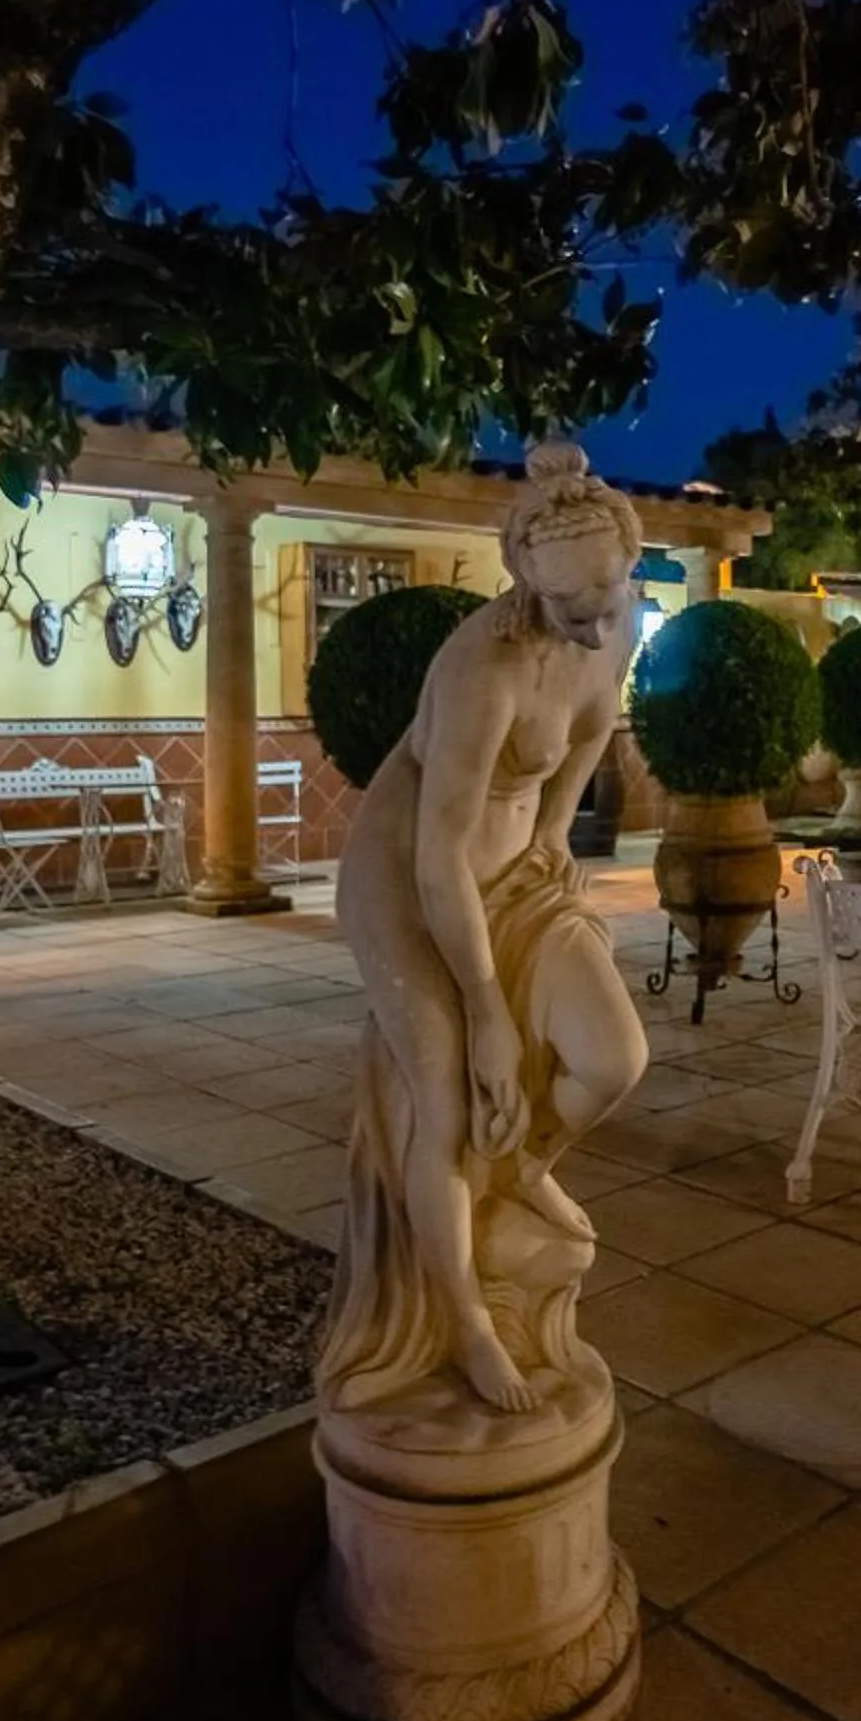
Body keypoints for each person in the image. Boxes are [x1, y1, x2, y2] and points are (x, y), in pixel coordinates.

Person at [325, 443, 651, 1418]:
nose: (597, 633)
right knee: (448, 1093)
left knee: (614, 1057)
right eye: (572, 614)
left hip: (515, 865)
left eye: (609, 604)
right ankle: (463, 1319)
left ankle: (516, 1172)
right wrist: (485, 1012)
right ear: (525, 582)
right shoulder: (481, 666)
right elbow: (436, 858)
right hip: (411, 877)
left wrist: (552, 831)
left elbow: (591, 731)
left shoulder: (616, 614)